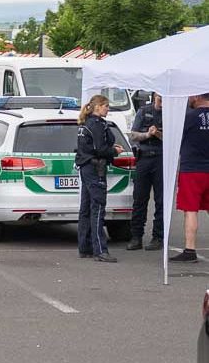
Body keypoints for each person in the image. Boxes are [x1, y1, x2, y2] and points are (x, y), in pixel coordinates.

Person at [75, 94, 123, 263]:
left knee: (86, 208)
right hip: (95, 168)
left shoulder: (86, 123)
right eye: (106, 106)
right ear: (97, 107)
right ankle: (100, 250)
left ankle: (85, 247)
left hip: (86, 167)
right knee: (98, 207)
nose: (108, 109)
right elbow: (101, 149)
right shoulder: (96, 125)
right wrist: (114, 151)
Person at [170, 93, 209, 263]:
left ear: (198, 96)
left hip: (192, 168)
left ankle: (190, 249)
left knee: (191, 210)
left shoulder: (188, 117)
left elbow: (175, 140)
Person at [127, 92, 164, 251]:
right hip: (143, 158)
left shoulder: (169, 113)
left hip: (161, 158)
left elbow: (174, 138)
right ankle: (136, 236)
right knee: (139, 199)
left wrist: (158, 134)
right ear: (154, 96)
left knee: (161, 200)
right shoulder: (143, 111)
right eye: (160, 98)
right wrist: (148, 134)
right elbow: (133, 135)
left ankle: (158, 237)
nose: (162, 102)